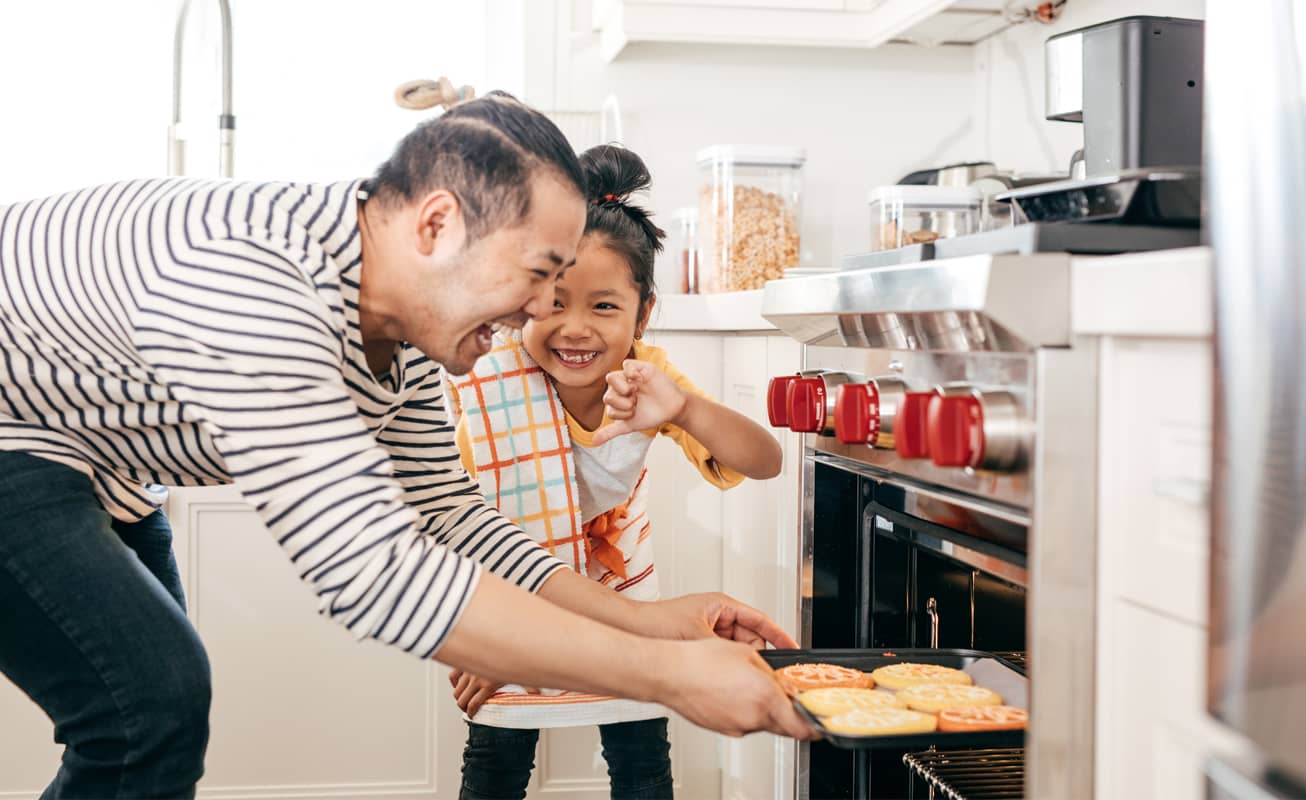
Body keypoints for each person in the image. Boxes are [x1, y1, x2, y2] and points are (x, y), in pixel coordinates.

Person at [0, 92, 811, 800]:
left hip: (96, 459)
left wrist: (650, 623)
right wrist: (668, 677)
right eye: (537, 274)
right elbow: (373, 573)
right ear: (437, 226)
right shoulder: (255, 283)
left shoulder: (405, 333)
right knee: (148, 705)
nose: (538, 308)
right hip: (17, 433)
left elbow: (451, 516)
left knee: (153, 719)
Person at [447, 144, 784, 800]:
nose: (575, 329)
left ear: (644, 313)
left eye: (604, 306)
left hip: (631, 612)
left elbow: (764, 462)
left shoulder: (647, 381)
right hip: (508, 611)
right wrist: (482, 638)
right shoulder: (491, 381)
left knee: (641, 768)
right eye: (553, 303)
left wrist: (684, 407)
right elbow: (459, 519)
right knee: (493, 767)